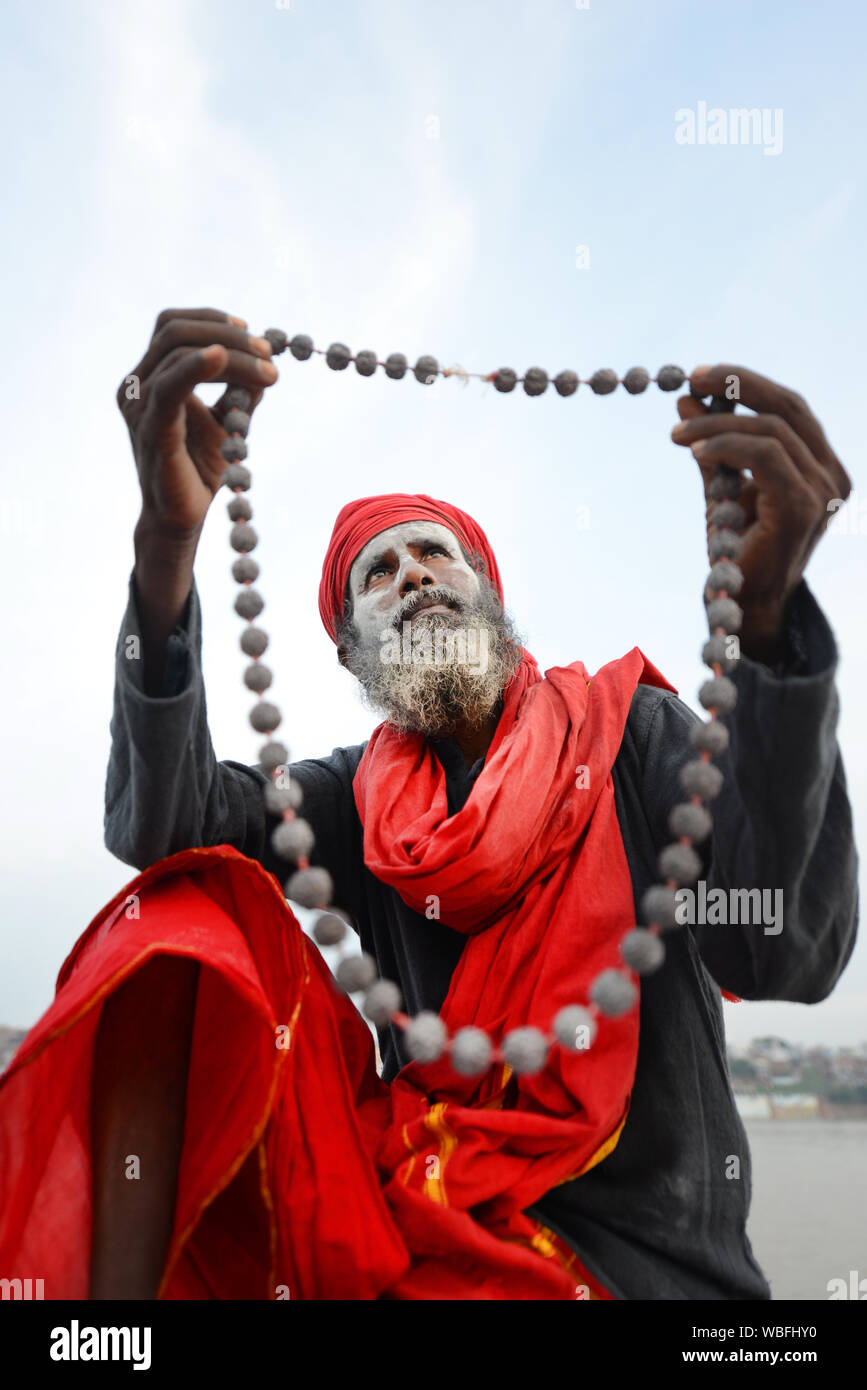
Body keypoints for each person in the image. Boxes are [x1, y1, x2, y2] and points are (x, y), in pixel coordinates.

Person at [0, 307, 858, 1301]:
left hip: (648, 1274)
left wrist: (768, 631)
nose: (413, 574)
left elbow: (786, 951)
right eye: (379, 572)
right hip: (416, 1216)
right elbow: (159, 826)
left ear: (489, 592)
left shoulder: (639, 737)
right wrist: (166, 543)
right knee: (177, 915)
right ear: (353, 653)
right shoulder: (349, 799)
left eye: (436, 555)